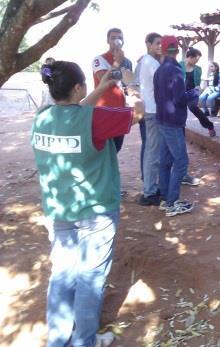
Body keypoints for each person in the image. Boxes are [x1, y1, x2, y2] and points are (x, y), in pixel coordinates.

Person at [31, 60, 143, 347]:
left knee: (62, 275)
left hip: (59, 211)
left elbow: (74, 110)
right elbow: (139, 113)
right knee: (90, 277)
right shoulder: (96, 119)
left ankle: (58, 340)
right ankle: (84, 340)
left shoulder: (42, 117)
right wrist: (131, 84)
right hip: (95, 211)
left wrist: (102, 87)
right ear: (79, 87)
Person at [154, 36, 198, 216]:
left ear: (163, 50)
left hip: (162, 120)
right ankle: (172, 203)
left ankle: (165, 199)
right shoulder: (176, 70)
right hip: (173, 122)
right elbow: (180, 99)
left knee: (165, 161)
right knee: (181, 161)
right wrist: (193, 93)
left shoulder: (159, 70)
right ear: (178, 49)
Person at [92, 27, 134, 152]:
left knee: (116, 148)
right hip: (103, 111)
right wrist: (117, 62)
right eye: (113, 38)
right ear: (107, 40)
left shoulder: (127, 62)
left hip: (120, 110)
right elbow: (104, 80)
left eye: (120, 38)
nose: (117, 41)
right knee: (104, 150)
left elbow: (129, 83)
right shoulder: (99, 59)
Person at [138, 32, 164, 206]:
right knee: (153, 152)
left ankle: (151, 187)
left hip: (149, 109)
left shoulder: (145, 61)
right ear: (148, 44)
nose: (160, 46)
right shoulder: (151, 63)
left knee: (151, 150)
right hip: (153, 111)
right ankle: (149, 192)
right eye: (156, 43)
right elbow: (162, 85)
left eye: (161, 43)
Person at [180, 48, 216, 137]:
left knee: (193, 108)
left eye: (198, 60)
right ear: (190, 57)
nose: (196, 62)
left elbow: (197, 83)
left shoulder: (198, 69)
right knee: (180, 112)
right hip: (180, 92)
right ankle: (181, 133)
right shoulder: (179, 65)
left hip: (192, 93)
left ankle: (209, 125)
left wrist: (198, 89)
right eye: (196, 59)